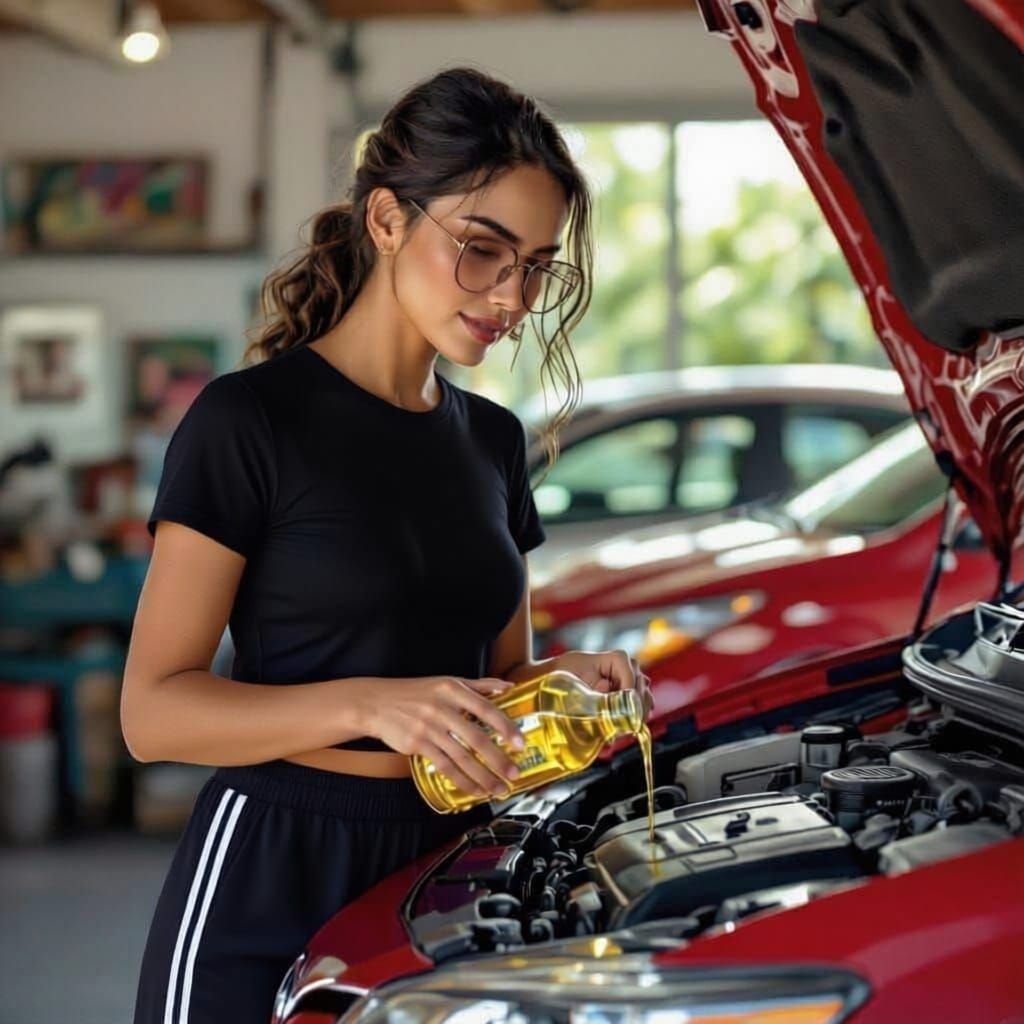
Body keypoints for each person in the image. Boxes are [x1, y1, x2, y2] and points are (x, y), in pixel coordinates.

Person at [123, 66, 654, 1024]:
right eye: (484, 249)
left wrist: (569, 690)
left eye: (536, 265)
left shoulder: (493, 441)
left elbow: (494, 688)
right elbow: (153, 715)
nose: (513, 295)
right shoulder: (250, 423)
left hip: (449, 873)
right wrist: (374, 705)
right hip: (272, 867)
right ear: (385, 221)